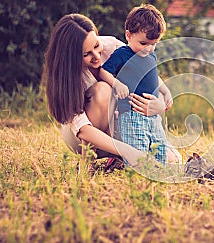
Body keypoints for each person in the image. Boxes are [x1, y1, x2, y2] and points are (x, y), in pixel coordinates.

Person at [44, 13, 179, 170]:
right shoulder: (67, 75)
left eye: (96, 46)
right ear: (71, 57)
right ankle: (88, 163)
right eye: (86, 54)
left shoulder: (112, 47)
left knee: (172, 159)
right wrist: (128, 151)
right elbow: (83, 129)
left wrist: (160, 104)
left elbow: (145, 69)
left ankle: (117, 159)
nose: (96, 57)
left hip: (121, 125)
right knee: (103, 89)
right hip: (83, 137)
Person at [99, 4, 173, 164]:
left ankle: (157, 175)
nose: (148, 49)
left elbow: (154, 76)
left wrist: (165, 91)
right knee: (138, 153)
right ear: (128, 35)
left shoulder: (151, 56)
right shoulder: (122, 54)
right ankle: (124, 165)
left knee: (159, 153)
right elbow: (103, 72)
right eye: (143, 43)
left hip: (153, 116)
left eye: (154, 44)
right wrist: (116, 83)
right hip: (131, 114)